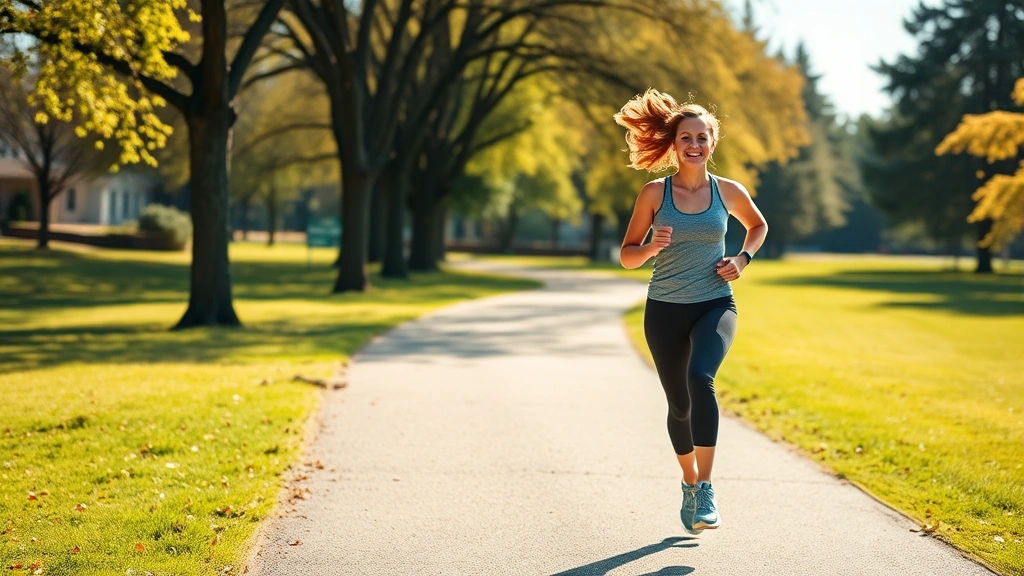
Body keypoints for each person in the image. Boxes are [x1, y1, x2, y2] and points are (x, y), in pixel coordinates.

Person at [614, 89, 768, 533]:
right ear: (675, 144)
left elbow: (758, 226)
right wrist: (649, 248)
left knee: (701, 379)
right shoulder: (653, 193)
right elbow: (626, 255)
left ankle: (706, 489)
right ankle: (688, 481)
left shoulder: (728, 192)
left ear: (712, 143)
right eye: (687, 137)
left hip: (715, 303)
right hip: (664, 310)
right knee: (678, 405)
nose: (695, 144)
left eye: (702, 137)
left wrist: (741, 259)